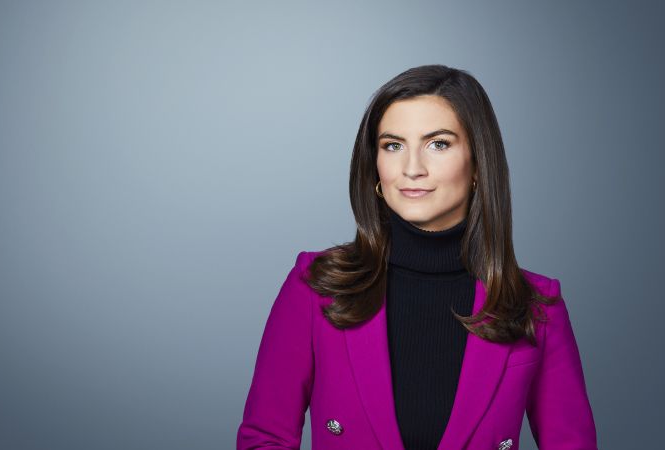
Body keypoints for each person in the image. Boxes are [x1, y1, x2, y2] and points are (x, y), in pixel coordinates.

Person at [236, 64, 597, 450]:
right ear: (375, 165)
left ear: (478, 163)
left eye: (438, 144)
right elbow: (265, 439)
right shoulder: (315, 287)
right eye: (393, 145)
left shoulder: (536, 307)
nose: (412, 169)